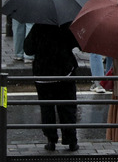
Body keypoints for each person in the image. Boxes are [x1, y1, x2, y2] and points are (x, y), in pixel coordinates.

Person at [24, 23, 79, 152]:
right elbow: (76, 43)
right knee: (67, 106)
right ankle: (71, 140)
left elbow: (28, 49)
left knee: (47, 108)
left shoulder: (38, 27)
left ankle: (51, 140)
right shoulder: (66, 26)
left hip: (43, 73)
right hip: (64, 71)